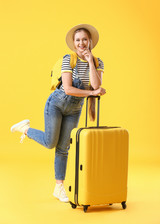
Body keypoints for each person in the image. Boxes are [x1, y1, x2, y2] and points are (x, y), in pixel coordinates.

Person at [11, 24, 106, 203]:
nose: (81, 43)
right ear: (73, 43)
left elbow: (96, 85)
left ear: (90, 41)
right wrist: (91, 93)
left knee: (63, 148)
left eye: (84, 39)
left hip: (74, 110)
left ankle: (59, 187)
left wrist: (91, 61)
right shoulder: (67, 59)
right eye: (77, 40)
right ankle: (26, 129)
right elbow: (69, 89)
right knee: (50, 143)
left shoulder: (98, 62)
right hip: (56, 104)